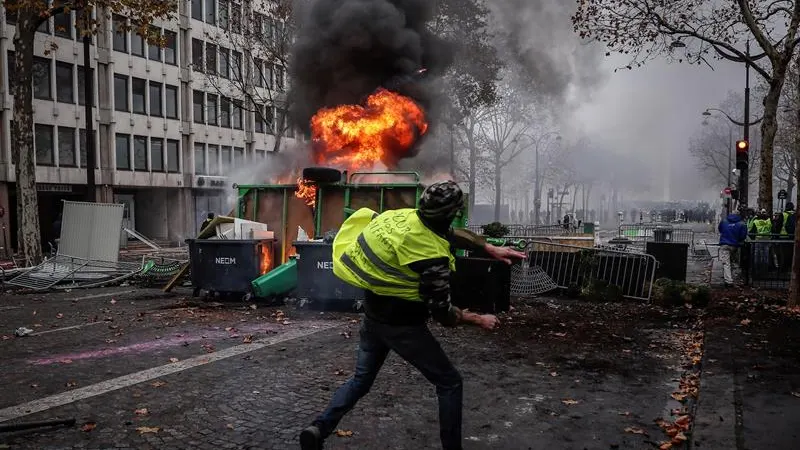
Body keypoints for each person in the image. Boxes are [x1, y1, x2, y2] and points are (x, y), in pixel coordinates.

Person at [299, 181, 526, 450]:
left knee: (360, 380)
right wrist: (478, 319)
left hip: (373, 317)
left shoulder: (401, 217)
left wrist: (487, 247)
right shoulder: (430, 256)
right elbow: (442, 312)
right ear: (451, 213)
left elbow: (450, 233)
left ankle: (319, 428)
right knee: (449, 382)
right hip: (403, 326)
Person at [718, 209, 748, 286]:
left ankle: (729, 280)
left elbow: (720, 229)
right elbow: (743, 236)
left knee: (726, 263)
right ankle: (730, 276)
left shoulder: (724, 221)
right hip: (734, 245)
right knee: (732, 261)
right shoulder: (742, 223)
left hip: (724, 244)